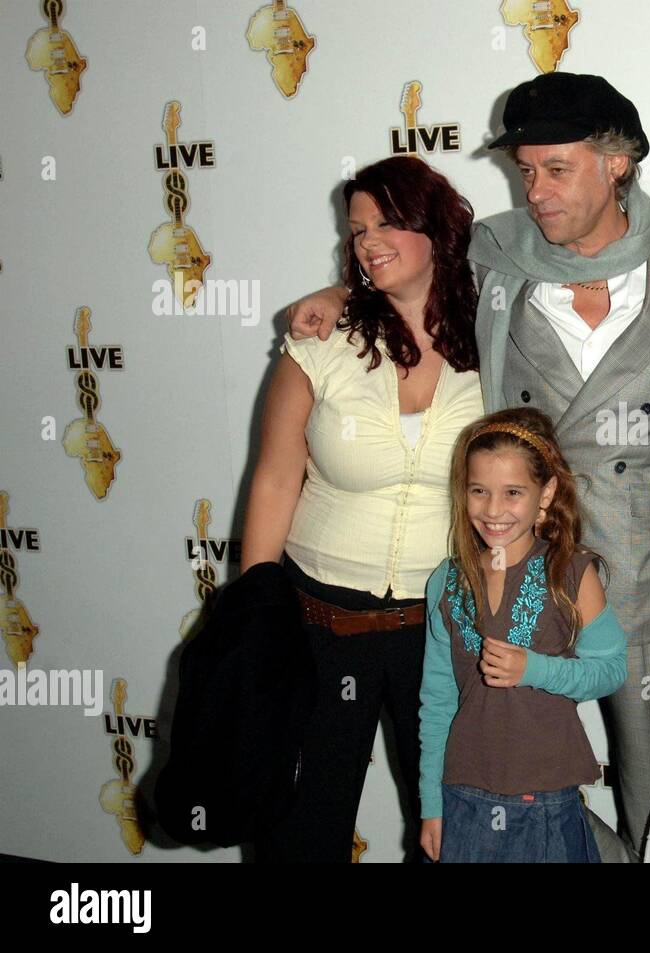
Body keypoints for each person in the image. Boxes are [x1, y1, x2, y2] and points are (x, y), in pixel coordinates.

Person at [283, 72, 650, 858]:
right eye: (525, 171)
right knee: (493, 780)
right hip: (519, 576)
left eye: (557, 169)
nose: (536, 192)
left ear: (618, 163)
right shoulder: (497, 260)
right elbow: (407, 271)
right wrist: (334, 292)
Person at [240, 156, 484, 861]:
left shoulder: (496, 336)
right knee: (303, 830)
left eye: (387, 222)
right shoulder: (320, 342)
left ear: (435, 229)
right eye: (356, 229)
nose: (368, 240)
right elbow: (274, 480)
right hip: (321, 623)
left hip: (443, 629)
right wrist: (257, 616)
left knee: (452, 831)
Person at [418, 408, 628, 862]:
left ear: (546, 492)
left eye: (513, 492)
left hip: (546, 803)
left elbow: (611, 670)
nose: (494, 510)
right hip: (464, 799)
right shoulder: (446, 582)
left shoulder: (570, 573)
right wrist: (431, 806)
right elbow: (437, 702)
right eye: (479, 491)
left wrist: (536, 669)